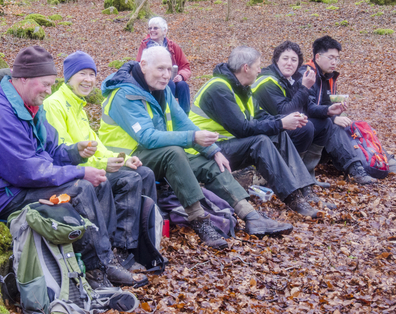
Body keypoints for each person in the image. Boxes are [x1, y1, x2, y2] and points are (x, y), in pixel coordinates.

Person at [0, 46, 147, 290]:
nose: (49, 91)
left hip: (20, 184)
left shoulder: (30, 107)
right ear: (24, 79)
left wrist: (73, 153)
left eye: (52, 84)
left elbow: (50, 151)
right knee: (81, 188)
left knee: (99, 182)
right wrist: (79, 172)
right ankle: (95, 271)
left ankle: (107, 258)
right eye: (46, 84)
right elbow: (27, 171)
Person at [99, 46, 293, 250]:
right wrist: (193, 138)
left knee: (210, 163)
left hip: (155, 154)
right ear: (144, 66)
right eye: (160, 69)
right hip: (126, 159)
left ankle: (251, 215)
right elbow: (147, 138)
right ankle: (200, 221)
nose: (166, 76)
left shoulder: (160, 89)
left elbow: (183, 122)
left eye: (169, 70)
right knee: (174, 152)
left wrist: (213, 150)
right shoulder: (124, 95)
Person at [189, 46, 336, 218]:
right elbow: (242, 129)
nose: (260, 70)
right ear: (246, 68)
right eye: (257, 66)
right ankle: (294, 199)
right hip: (205, 151)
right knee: (260, 141)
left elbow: (261, 116)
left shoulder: (243, 88)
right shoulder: (219, 88)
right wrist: (281, 122)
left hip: (226, 147)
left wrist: (285, 122)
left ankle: (305, 190)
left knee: (279, 133)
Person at [43, 51, 157, 271]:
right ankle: (121, 250)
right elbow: (65, 155)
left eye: (92, 74)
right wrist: (103, 166)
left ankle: (144, 246)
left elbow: (96, 145)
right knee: (129, 181)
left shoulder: (78, 106)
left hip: (89, 167)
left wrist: (121, 160)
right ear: (68, 77)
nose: (88, 80)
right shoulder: (54, 105)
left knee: (144, 173)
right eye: (82, 74)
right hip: (73, 175)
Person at [296, 36, 396, 178]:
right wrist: (332, 119)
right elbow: (305, 109)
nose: (334, 62)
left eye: (337, 58)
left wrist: (338, 110)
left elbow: (327, 106)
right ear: (318, 57)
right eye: (331, 57)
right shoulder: (306, 74)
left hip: (322, 129)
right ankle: (356, 169)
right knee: (333, 126)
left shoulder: (329, 76)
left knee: (355, 126)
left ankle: (386, 161)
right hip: (305, 134)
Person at [252, 40, 376, 185]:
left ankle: (307, 175)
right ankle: (292, 176)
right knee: (306, 127)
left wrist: (329, 110)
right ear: (276, 60)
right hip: (266, 129)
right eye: (285, 59)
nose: (289, 63)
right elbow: (285, 112)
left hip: (284, 126)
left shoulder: (292, 78)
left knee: (324, 124)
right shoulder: (267, 81)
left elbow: (308, 106)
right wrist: (304, 88)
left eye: (294, 60)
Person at [136, 17, 192, 114]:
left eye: (155, 28)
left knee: (183, 85)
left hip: (172, 78)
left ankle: (185, 115)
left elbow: (185, 66)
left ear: (164, 31)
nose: (152, 30)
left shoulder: (173, 46)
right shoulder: (145, 45)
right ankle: (168, 114)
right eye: (150, 28)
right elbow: (139, 66)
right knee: (169, 85)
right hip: (154, 80)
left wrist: (181, 76)